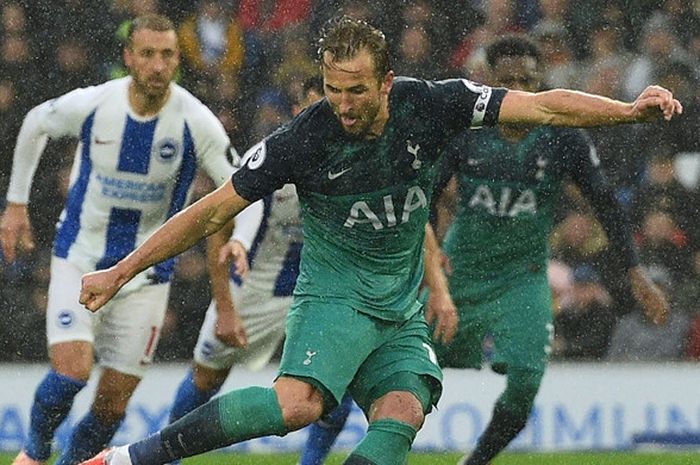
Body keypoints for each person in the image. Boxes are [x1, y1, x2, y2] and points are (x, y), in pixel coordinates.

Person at [77, 17, 680, 465]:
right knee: (299, 407)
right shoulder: (305, 139)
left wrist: (628, 111)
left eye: (356, 91)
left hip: (399, 307)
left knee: (403, 412)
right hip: (335, 298)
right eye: (332, 89)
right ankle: (130, 458)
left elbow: (543, 108)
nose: (342, 104)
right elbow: (209, 213)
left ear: (387, 82)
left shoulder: (433, 104)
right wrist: (119, 271)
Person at [297, 34, 673, 465]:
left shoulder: (565, 139)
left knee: (527, 382)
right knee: (395, 367)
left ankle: (473, 463)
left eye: (527, 79)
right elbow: (423, 198)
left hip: (524, 278)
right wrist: (429, 263)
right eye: (508, 79)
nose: (519, 87)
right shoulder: (465, 133)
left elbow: (605, 203)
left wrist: (634, 270)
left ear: (540, 82)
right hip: (461, 274)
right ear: (492, 83)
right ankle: (363, 438)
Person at [0, 14, 240, 465]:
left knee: (112, 405)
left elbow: (242, 185)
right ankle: (33, 453)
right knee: (72, 372)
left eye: (167, 54)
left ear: (177, 59)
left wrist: (240, 238)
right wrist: (16, 205)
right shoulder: (97, 104)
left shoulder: (195, 121)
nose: (157, 65)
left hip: (147, 277)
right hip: (80, 258)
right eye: (147, 54)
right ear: (129, 57)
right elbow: (36, 122)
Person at [167, 76, 323, 434]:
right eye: (313, 107)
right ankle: (164, 455)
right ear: (297, 110)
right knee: (206, 379)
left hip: (312, 291)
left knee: (334, 384)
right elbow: (218, 227)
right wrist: (224, 307)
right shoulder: (272, 157)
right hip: (252, 290)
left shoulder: (351, 159)